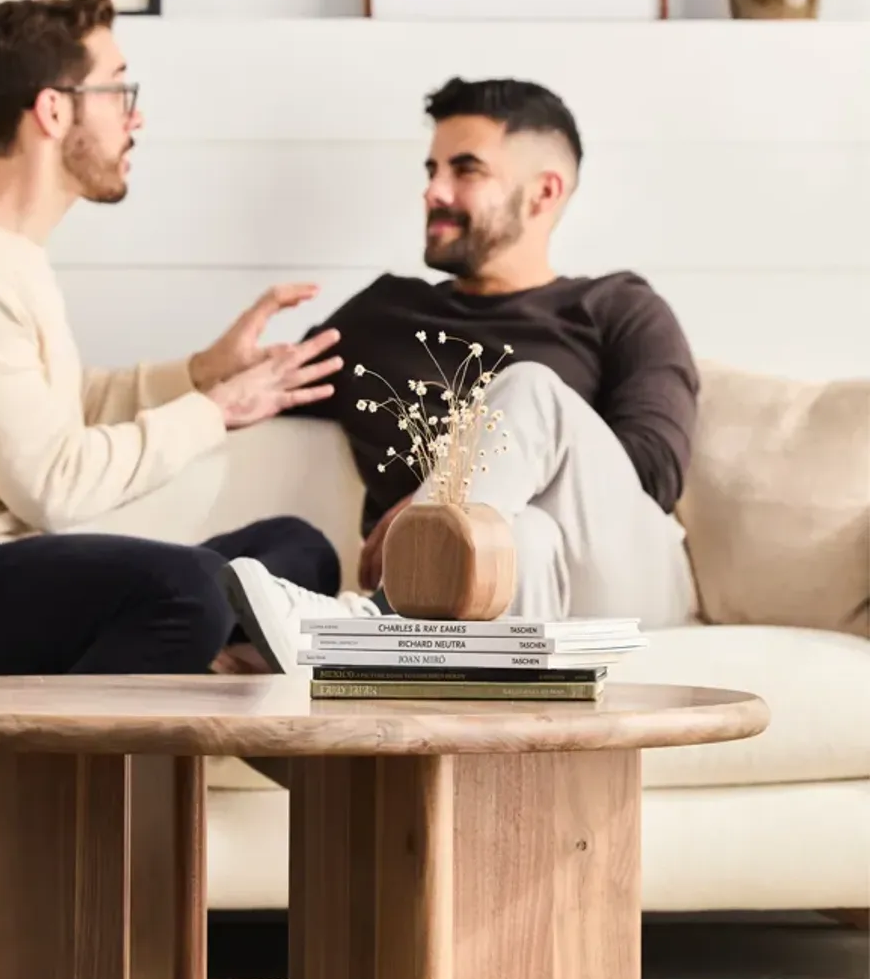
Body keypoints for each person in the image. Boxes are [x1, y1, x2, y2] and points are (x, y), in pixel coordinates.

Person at [0, 0, 367, 677]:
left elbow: (64, 407)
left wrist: (202, 372)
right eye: (117, 89)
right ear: (53, 109)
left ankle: (199, 659)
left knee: (297, 550)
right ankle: (113, 740)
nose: (134, 116)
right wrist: (218, 411)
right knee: (190, 588)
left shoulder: (7, 253)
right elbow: (53, 486)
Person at [221, 77, 701, 674]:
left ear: (543, 193)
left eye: (465, 170)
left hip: (623, 580)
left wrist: (440, 502)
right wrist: (213, 373)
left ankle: (385, 620)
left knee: (529, 391)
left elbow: (653, 474)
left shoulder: (617, 307)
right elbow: (264, 392)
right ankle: (436, 670)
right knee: (516, 539)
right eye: (431, 170)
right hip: (504, 589)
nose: (433, 191)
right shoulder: (383, 316)